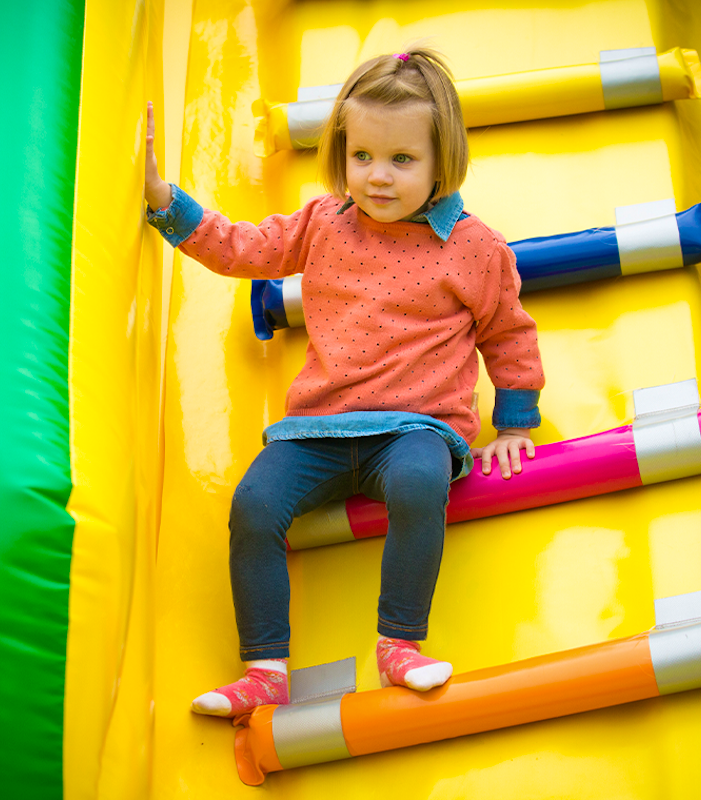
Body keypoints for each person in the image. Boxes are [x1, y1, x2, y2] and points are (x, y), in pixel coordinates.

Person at [143, 47, 544, 717]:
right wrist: (166, 204)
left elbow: (509, 331)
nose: (378, 177)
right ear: (341, 153)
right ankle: (265, 668)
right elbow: (244, 248)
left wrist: (515, 422)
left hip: (418, 426)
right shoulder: (324, 223)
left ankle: (400, 645)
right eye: (362, 157)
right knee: (253, 503)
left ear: (443, 161)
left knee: (419, 484)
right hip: (319, 427)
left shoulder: (476, 248)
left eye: (402, 160)